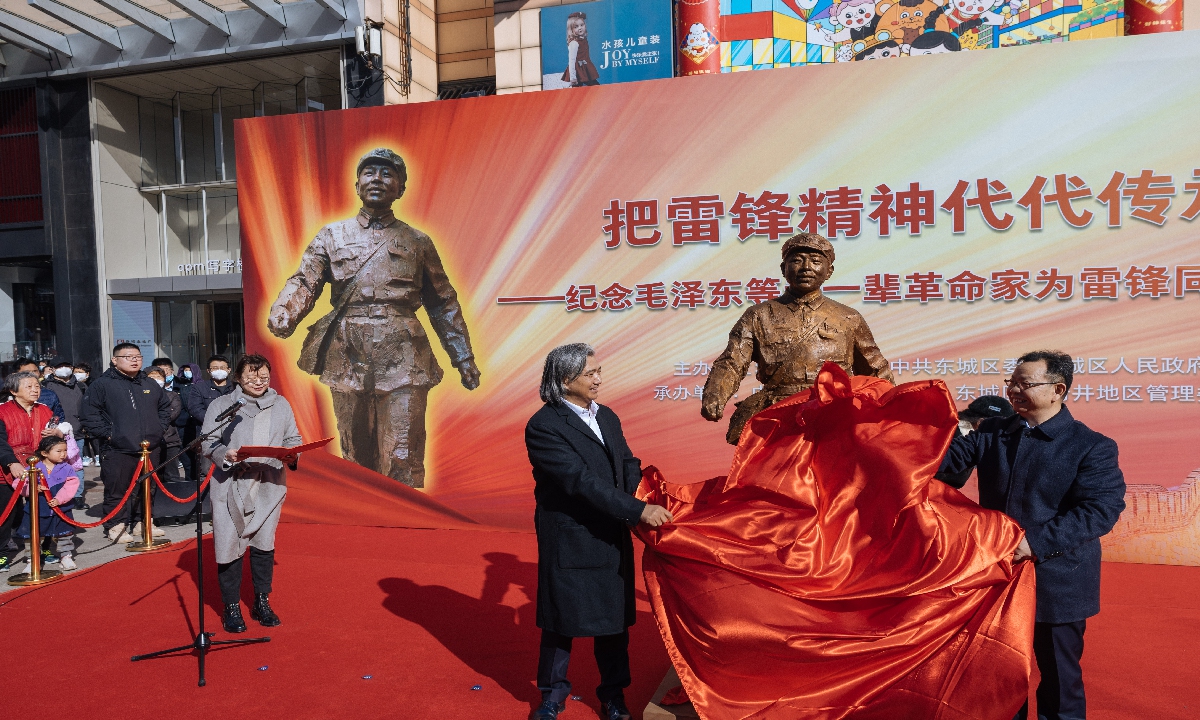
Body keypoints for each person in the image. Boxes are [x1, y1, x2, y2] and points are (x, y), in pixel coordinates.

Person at [268, 148, 480, 488]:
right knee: (355, 447)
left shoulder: (417, 241)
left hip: (403, 349)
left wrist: (463, 356)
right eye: (369, 173)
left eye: (387, 174)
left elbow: (442, 302)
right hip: (347, 348)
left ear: (400, 188)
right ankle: (365, 521)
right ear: (357, 185)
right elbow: (305, 280)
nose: (377, 179)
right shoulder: (332, 236)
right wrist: (285, 312)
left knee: (401, 448)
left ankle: (404, 521)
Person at [937, 350, 1127, 720]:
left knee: (1059, 675)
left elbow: (1099, 511)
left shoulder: (1091, 445)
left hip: (1057, 580)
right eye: (1011, 383)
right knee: (1001, 673)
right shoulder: (992, 432)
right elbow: (944, 464)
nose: (1013, 391)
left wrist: (1031, 543)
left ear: (1058, 389)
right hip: (999, 576)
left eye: (1025, 384)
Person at [524, 343, 673, 720]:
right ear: (564, 379)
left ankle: (612, 696)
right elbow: (580, 481)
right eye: (590, 374)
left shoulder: (605, 415)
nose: (598, 379)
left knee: (612, 623)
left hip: (610, 532)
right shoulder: (544, 426)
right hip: (572, 535)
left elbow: (625, 461)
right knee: (561, 622)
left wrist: (646, 491)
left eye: (598, 371)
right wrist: (638, 510)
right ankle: (552, 696)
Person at [701, 232, 894, 444]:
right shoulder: (759, 315)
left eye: (815, 261)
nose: (806, 268)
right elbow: (732, 361)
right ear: (784, 269)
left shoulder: (848, 318)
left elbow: (875, 370)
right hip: (778, 414)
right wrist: (715, 395)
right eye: (796, 260)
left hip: (832, 416)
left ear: (829, 271)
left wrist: (894, 406)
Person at [202, 353, 302, 634]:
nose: (258, 382)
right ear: (237, 378)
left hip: (269, 484)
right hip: (231, 484)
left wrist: (291, 455)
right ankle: (231, 607)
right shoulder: (222, 405)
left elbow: (293, 439)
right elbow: (208, 443)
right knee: (228, 545)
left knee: (263, 544)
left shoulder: (281, 404)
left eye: (263, 377)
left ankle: (262, 601)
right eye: (250, 377)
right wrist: (226, 454)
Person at [79, 343, 173, 544]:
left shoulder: (148, 384)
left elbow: (165, 408)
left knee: (148, 488)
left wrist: (159, 429)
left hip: (150, 447)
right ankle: (117, 525)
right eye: (128, 356)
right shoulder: (102, 385)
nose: (134, 360)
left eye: (137, 356)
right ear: (114, 360)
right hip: (117, 448)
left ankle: (143, 522)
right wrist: (110, 435)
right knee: (118, 489)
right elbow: (89, 415)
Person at [0, 372, 62, 571]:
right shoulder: (2, 411)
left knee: (43, 510)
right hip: (8, 468)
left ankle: (44, 547)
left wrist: (57, 433)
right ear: (13, 391)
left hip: (41, 468)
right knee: (8, 512)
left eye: (37, 386)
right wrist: (11, 463)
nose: (35, 390)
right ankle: (1, 553)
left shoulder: (44, 410)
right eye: (28, 386)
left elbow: (58, 438)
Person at [16, 436, 79, 572]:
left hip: (61, 508)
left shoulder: (66, 468)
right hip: (38, 508)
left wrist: (59, 498)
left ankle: (66, 556)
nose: (63, 454)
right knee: (33, 536)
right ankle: (32, 560)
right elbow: (19, 484)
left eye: (65, 450)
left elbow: (72, 485)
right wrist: (33, 488)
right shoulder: (33, 467)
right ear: (44, 453)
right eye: (59, 451)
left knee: (64, 534)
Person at [187, 355, 237, 480]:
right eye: (215, 368)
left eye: (222, 367)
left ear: (229, 370)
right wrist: (215, 422)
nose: (219, 370)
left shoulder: (236, 388)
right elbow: (195, 409)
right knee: (206, 471)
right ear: (208, 371)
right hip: (208, 436)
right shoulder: (199, 388)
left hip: (233, 435)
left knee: (232, 469)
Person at [14, 358, 64, 424]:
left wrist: (55, 430)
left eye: (35, 371)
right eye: (27, 372)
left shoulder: (50, 395)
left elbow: (59, 417)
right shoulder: (8, 395)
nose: (32, 374)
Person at [72, 362, 99, 467]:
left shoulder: (94, 383)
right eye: (76, 372)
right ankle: (86, 456)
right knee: (82, 436)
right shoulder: (74, 384)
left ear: (87, 373)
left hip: (91, 412)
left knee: (93, 436)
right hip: (78, 413)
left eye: (80, 372)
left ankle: (97, 455)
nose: (77, 374)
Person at [562, 12, 599, 87]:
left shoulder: (583, 39)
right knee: (578, 90)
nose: (580, 28)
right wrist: (572, 77)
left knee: (595, 86)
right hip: (577, 71)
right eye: (576, 27)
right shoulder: (574, 43)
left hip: (586, 68)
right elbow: (572, 61)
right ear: (571, 29)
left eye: (582, 25)